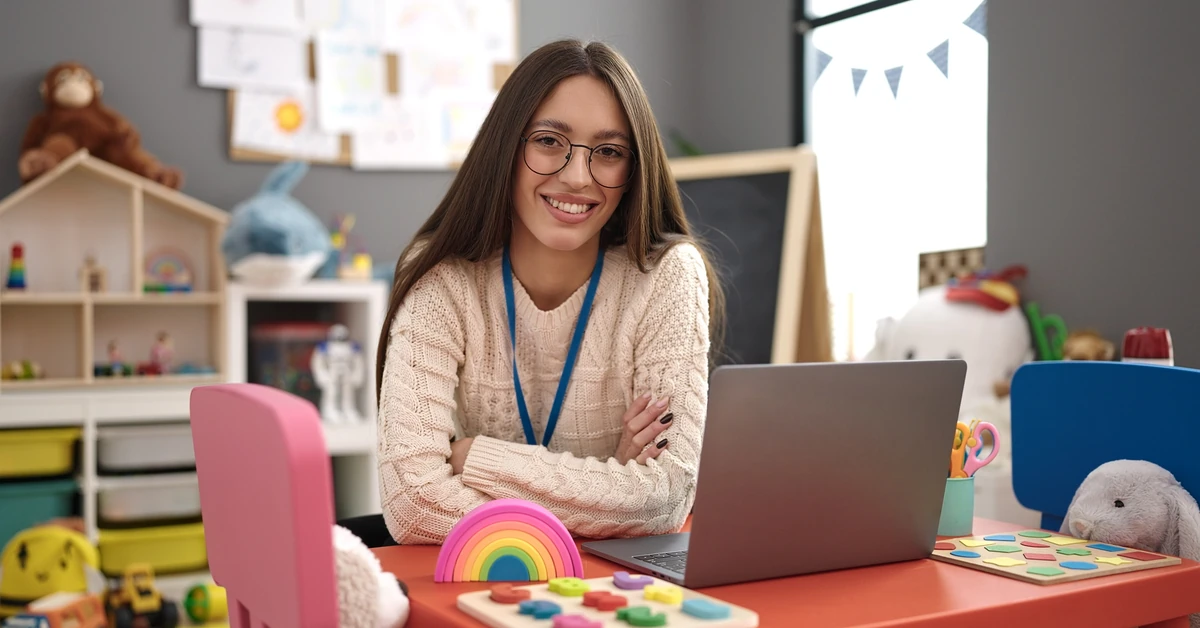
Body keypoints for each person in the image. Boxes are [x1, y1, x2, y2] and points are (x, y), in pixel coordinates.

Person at [374, 38, 726, 545]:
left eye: (608, 152)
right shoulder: (440, 277)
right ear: (506, 148)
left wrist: (477, 459)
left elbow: (667, 496)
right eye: (548, 141)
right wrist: (609, 491)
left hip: (601, 595)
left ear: (632, 170)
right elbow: (413, 504)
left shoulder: (667, 275)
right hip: (475, 584)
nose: (578, 177)